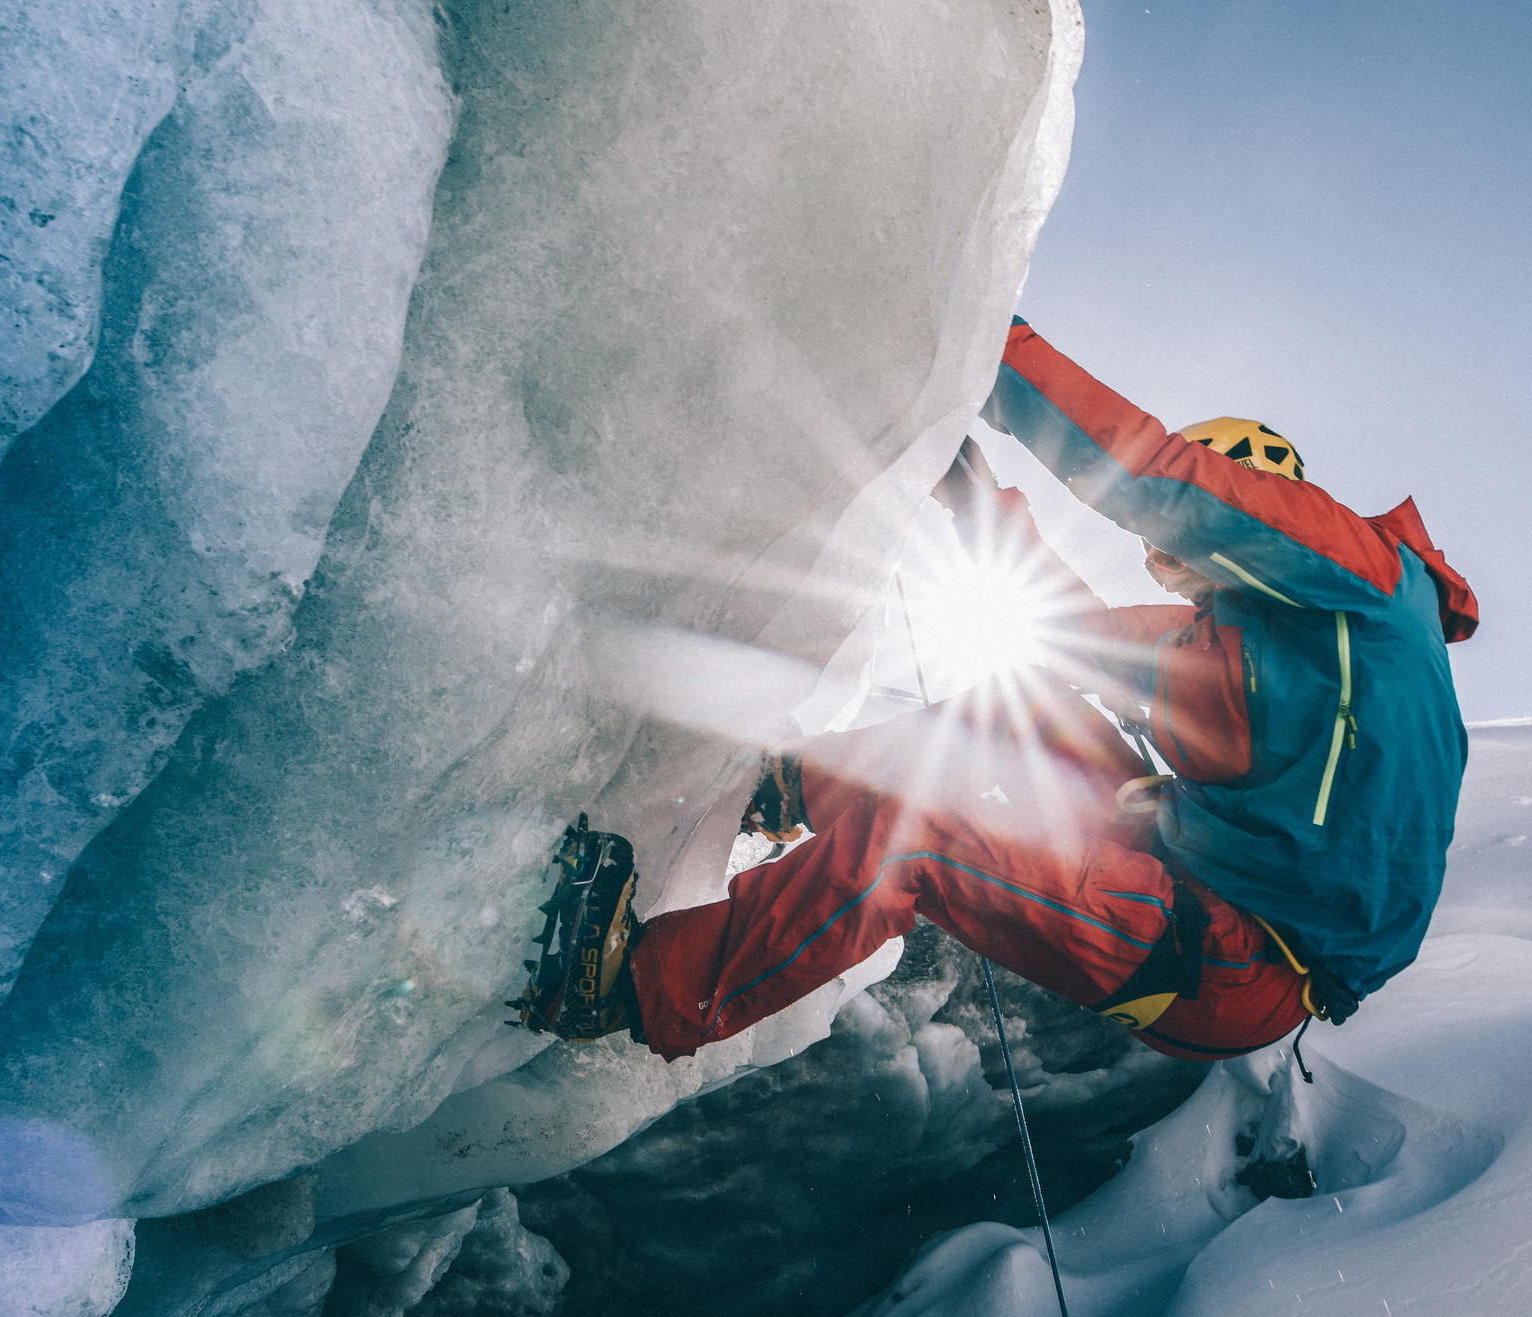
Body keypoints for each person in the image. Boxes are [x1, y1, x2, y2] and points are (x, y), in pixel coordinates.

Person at [513, 316, 1478, 1074]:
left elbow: (1158, 477)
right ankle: (787, 789)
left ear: (1257, 489)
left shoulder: (1364, 580)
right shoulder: (1255, 642)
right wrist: (974, 496)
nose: (1164, 563)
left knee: (921, 842)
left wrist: (982, 346)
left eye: (1175, 550)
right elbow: (1076, 635)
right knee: (1027, 701)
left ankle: (631, 989)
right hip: (1195, 892)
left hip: (1233, 964)